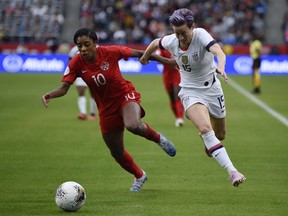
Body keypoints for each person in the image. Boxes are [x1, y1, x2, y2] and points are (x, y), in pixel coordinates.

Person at [41, 28, 176, 192]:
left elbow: (140, 53)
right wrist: (50, 95)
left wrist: (167, 62)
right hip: (106, 109)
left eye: (86, 44)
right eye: (79, 46)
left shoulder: (110, 51)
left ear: (95, 43)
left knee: (133, 125)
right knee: (117, 153)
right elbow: (64, 88)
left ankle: (158, 138)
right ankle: (139, 176)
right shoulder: (75, 63)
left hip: (125, 95)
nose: (83, 49)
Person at [139, 8, 246, 187]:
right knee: (205, 128)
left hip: (213, 89)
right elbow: (156, 42)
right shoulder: (172, 40)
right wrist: (145, 56)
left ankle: (210, 142)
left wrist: (221, 66)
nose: (180, 37)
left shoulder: (201, 35)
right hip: (190, 92)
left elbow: (219, 52)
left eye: (184, 32)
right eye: (176, 33)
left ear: (193, 27)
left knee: (220, 134)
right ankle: (233, 172)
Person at [156, 48, 184, 127]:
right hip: (167, 76)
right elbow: (158, 59)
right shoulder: (162, 48)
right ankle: (177, 117)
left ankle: (180, 118)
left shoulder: (179, 46)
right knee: (172, 98)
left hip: (177, 74)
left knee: (177, 96)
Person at [69, 45, 97, 120]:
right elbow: (70, 61)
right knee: (81, 91)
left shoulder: (96, 47)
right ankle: (83, 113)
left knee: (93, 94)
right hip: (81, 73)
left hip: (93, 73)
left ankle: (92, 113)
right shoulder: (75, 49)